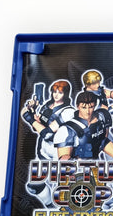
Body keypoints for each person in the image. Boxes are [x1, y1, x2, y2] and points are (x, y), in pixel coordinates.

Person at [21, 80, 75, 208]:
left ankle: (67, 210)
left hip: (59, 152)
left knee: (62, 189)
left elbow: (47, 133)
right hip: (43, 151)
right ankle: (51, 207)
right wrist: (32, 111)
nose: (56, 95)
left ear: (66, 94)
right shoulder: (47, 105)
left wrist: (29, 118)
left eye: (60, 92)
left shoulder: (68, 111)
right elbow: (38, 128)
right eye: (54, 91)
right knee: (34, 186)